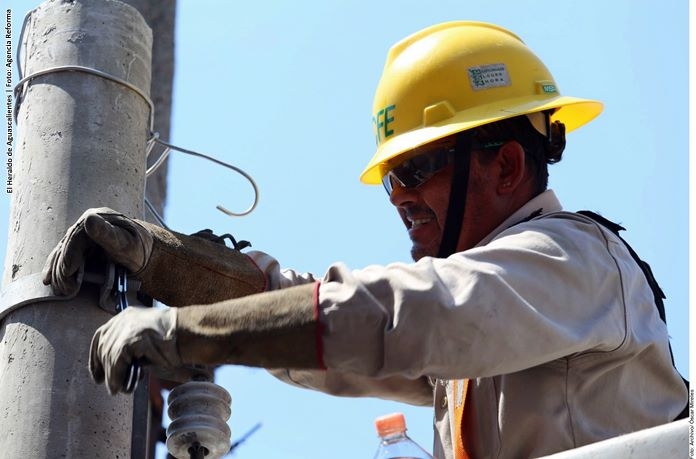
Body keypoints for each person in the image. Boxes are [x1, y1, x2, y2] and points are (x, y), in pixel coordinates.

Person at [43, 21, 687, 458]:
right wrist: (170, 266)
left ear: (508, 166)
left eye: (416, 169)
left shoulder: (575, 262)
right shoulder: (485, 335)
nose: (401, 196)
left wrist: (190, 331)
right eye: (391, 180)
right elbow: (350, 337)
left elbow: (398, 316)